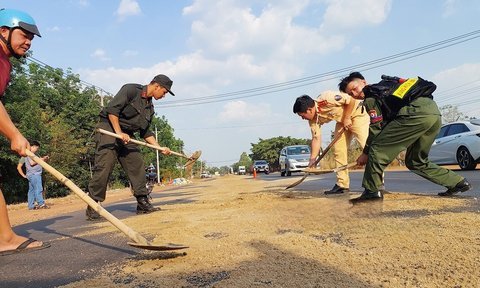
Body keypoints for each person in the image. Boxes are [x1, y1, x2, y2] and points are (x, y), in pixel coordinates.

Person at [338, 72, 472, 203]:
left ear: (363, 82)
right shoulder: (389, 86)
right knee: (416, 161)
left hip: (415, 114)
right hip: (434, 114)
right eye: (350, 94)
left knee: (377, 148)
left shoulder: (371, 97)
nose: (355, 94)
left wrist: (366, 153)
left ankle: (372, 191)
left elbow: (375, 129)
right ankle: (457, 183)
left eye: (354, 89)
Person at [86, 74, 173, 220]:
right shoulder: (131, 90)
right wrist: (118, 132)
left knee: (136, 163)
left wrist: (159, 148)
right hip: (109, 127)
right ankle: (93, 204)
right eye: (164, 92)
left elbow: (145, 132)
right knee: (104, 166)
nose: (164, 96)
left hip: (127, 134)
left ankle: (142, 202)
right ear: (156, 86)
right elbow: (112, 111)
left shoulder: (149, 108)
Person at [0, 8, 50, 255]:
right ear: (3, 31)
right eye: (25, 35)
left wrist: (15, 133)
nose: (29, 42)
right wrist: (13, 134)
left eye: (32, 37)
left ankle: (5, 238)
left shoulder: (4, 61)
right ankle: (6, 238)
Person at [293, 92, 369, 194]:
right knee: (338, 150)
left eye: (302, 115)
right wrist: (312, 160)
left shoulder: (327, 98)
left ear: (309, 110)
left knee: (367, 147)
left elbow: (351, 100)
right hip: (342, 121)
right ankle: (342, 185)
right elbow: (316, 138)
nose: (302, 118)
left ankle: (376, 184)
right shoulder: (312, 120)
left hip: (357, 114)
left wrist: (347, 118)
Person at [17, 141, 49, 210]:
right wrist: (43, 159)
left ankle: (31, 206)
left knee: (31, 190)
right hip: (34, 174)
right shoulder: (29, 154)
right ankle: (41, 204)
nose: (37, 149)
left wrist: (43, 159)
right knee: (38, 189)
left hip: (31, 175)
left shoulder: (30, 154)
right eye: (37, 148)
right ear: (33, 146)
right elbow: (32, 163)